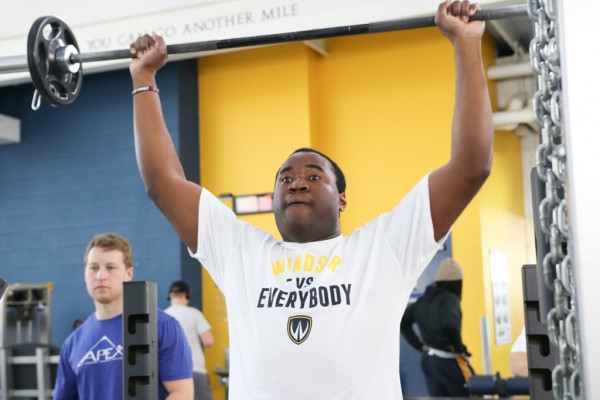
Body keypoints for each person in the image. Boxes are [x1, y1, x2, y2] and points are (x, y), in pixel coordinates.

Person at [128, 0, 492, 398]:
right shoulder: (242, 254)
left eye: (313, 176)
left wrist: (466, 44)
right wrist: (144, 79)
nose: (296, 183)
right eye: (286, 177)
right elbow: (163, 183)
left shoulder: (382, 248)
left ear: (342, 200)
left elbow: (471, 166)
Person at [54, 233, 194, 399]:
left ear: (128, 274)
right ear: (85, 274)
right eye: (94, 268)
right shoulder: (72, 344)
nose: (100, 276)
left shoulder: (160, 325)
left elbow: (181, 393)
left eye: (111, 267)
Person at [400, 257, 474, 396]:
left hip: (429, 360)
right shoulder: (450, 298)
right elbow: (450, 324)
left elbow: (403, 322)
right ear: (457, 283)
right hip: (449, 360)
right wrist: (460, 348)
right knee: (473, 393)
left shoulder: (422, 301)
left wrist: (419, 346)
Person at [165, 280, 215, 400]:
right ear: (186, 296)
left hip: (170, 374)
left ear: (170, 297)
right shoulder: (194, 313)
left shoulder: (164, 316)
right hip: (194, 369)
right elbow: (209, 340)